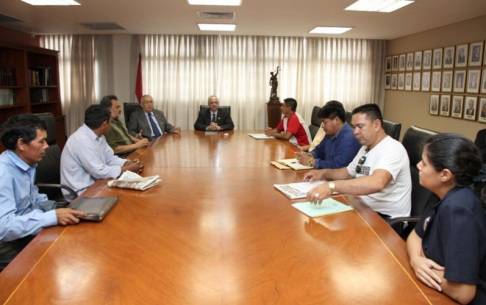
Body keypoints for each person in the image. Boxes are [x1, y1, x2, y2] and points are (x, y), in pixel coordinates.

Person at [407, 133, 486, 304]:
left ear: (445, 175)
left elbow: (464, 292)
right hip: (436, 288)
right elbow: (415, 235)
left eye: (424, 163)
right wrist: (416, 260)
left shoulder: (458, 210)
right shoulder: (441, 192)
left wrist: (424, 269)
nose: (418, 166)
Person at [0, 114, 85, 271]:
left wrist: (58, 210)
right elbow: (4, 227)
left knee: (72, 247)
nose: (46, 146)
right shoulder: (3, 173)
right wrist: (52, 216)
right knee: (41, 270)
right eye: (41, 141)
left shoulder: (27, 163)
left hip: (23, 227)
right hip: (5, 241)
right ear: (21, 144)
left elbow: (34, 197)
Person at [304, 104, 411, 219]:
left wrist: (331, 186)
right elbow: (348, 173)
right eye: (354, 127)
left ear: (376, 125)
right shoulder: (366, 147)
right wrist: (322, 173)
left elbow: (377, 183)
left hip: (385, 219)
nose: (355, 132)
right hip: (361, 207)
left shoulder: (393, 148)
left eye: (360, 126)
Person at [61, 105, 144, 200]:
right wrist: (126, 169)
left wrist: (127, 163)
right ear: (104, 124)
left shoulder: (99, 136)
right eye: (110, 122)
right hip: (82, 193)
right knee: (127, 200)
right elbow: (99, 172)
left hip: (98, 184)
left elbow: (109, 158)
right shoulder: (82, 140)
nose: (111, 125)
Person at [296, 101, 361, 169]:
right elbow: (319, 149)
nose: (322, 126)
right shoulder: (330, 133)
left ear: (337, 120)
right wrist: (309, 155)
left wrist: (311, 161)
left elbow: (338, 166)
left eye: (325, 122)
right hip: (325, 175)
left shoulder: (350, 138)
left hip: (338, 178)